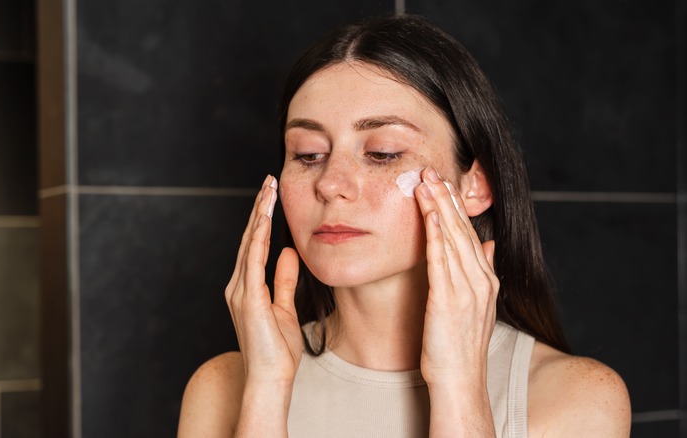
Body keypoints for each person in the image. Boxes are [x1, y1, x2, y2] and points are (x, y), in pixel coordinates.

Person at [177, 14, 630, 437]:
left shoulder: (577, 397)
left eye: (383, 153)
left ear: (474, 186)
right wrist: (267, 391)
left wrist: (458, 383)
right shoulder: (222, 387)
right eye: (308, 154)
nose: (330, 184)